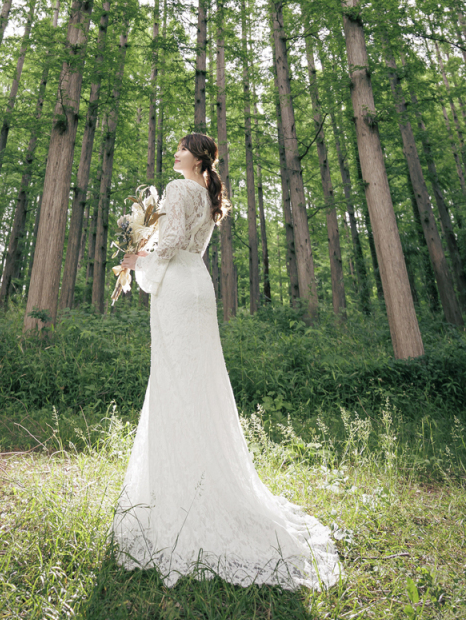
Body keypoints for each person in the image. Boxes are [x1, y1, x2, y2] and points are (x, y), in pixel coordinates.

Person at [111, 131, 341, 591]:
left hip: (178, 288)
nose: (174, 153)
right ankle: (202, 481)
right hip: (199, 286)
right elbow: (186, 244)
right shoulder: (209, 198)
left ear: (197, 159)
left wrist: (138, 258)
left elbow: (171, 242)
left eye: (182, 148)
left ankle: (180, 498)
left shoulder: (178, 189)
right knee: (198, 384)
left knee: (176, 384)